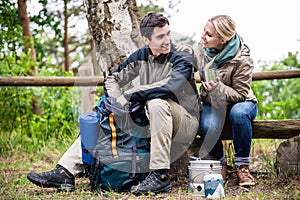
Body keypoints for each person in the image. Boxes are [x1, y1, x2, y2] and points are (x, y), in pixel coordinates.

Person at [27, 12, 200, 195]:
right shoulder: (140, 56)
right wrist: (116, 100)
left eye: (168, 34)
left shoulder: (182, 53)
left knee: (156, 102)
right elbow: (112, 79)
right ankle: (65, 171)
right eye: (160, 36)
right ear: (146, 39)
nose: (167, 40)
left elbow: (171, 86)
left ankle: (160, 176)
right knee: (105, 115)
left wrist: (132, 96)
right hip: (153, 121)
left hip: (186, 121)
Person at [187, 14, 258, 186]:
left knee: (239, 114)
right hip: (213, 103)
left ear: (224, 40)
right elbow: (187, 66)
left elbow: (241, 94)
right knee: (207, 124)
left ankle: (242, 167)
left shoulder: (243, 59)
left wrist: (217, 88)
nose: (203, 36)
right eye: (204, 31)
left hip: (241, 103)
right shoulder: (201, 49)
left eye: (209, 35)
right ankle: (219, 164)